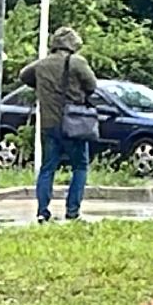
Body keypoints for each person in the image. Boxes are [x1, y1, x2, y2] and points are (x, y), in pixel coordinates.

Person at [19, 26, 98, 223]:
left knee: (48, 167)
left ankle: (42, 212)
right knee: (80, 166)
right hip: (74, 123)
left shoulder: (41, 65)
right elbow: (92, 86)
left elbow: (24, 75)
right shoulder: (77, 63)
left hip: (48, 123)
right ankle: (72, 211)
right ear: (73, 44)